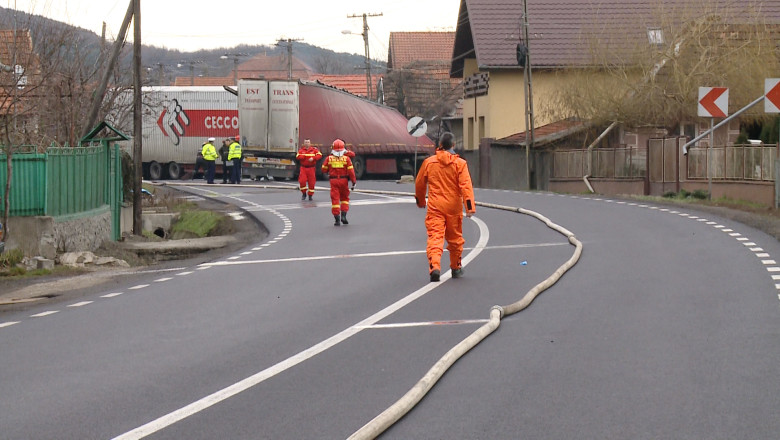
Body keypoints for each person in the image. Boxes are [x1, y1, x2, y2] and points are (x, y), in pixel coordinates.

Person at [414, 132, 475, 282]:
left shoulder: (429, 162)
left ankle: (435, 266)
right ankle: (456, 268)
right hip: (453, 207)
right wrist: (469, 208)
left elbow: (419, 183)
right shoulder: (460, 164)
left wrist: (421, 201)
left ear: (439, 145)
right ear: (453, 145)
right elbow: (466, 186)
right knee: (455, 239)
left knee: (435, 237)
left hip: (435, 207)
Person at [321, 138, 357, 226]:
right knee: (344, 199)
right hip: (344, 180)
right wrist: (353, 182)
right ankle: (343, 216)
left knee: (335, 199)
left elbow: (323, 169)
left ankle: (337, 219)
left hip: (333, 181)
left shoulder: (329, 158)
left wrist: (329, 170)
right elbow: (351, 172)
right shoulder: (347, 159)